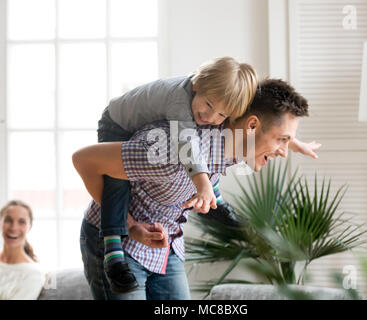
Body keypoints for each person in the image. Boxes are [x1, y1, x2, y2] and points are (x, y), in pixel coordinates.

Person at [73, 78, 310, 300]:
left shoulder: (235, 145)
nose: (283, 151)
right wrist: (130, 225)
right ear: (252, 125)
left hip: (168, 247)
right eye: (282, 140)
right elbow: (84, 160)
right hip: (120, 245)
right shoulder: (168, 152)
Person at [95, 56, 258, 293]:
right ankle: (114, 252)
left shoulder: (204, 108)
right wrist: (201, 183)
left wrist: (291, 141)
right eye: (209, 105)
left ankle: (217, 200)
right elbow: (187, 144)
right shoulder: (179, 101)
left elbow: (207, 148)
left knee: (211, 145)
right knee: (116, 181)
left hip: (144, 126)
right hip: (117, 124)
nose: (211, 117)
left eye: (222, 115)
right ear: (196, 86)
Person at [0, 200, 46, 300]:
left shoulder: (34, 275)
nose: (14, 227)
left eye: (21, 222)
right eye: (8, 220)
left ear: (29, 227)